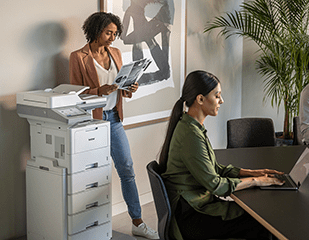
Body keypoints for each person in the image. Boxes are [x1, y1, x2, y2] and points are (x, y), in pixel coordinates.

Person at [159, 70, 284, 240]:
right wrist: (256, 181)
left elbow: (214, 168)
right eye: (217, 96)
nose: (221, 101)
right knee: (261, 223)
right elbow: (216, 186)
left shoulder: (191, 126)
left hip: (196, 204)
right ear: (200, 99)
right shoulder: (190, 134)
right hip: (191, 214)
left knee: (259, 218)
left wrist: (251, 173)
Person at [69, 12, 159, 239]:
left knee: (126, 169)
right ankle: (88, 226)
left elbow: (122, 88)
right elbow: (73, 94)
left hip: (114, 119)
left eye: (115, 33)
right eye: (108, 33)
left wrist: (129, 88)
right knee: (92, 176)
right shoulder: (78, 57)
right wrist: (99, 91)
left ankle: (137, 222)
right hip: (91, 123)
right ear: (96, 30)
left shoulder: (116, 53)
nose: (112, 38)